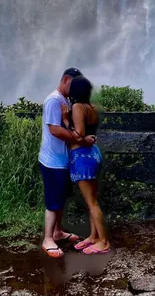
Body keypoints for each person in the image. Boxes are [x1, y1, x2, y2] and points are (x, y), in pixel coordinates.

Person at [38, 68, 96, 258]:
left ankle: (57, 232)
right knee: (53, 200)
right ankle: (48, 239)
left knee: (60, 197)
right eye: (73, 84)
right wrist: (81, 139)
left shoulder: (65, 100)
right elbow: (55, 130)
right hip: (53, 160)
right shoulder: (54, 100)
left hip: (62, 159)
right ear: (65, 79)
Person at [62, 76, 110, 255]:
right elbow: (88, 134)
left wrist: (66, 121)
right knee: (93, 200)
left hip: (82, 157)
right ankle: (93, 236)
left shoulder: (77, 107)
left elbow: (79, 134)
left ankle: (103, 242)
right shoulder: (93, 108)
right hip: (93, 155)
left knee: (92, 202)